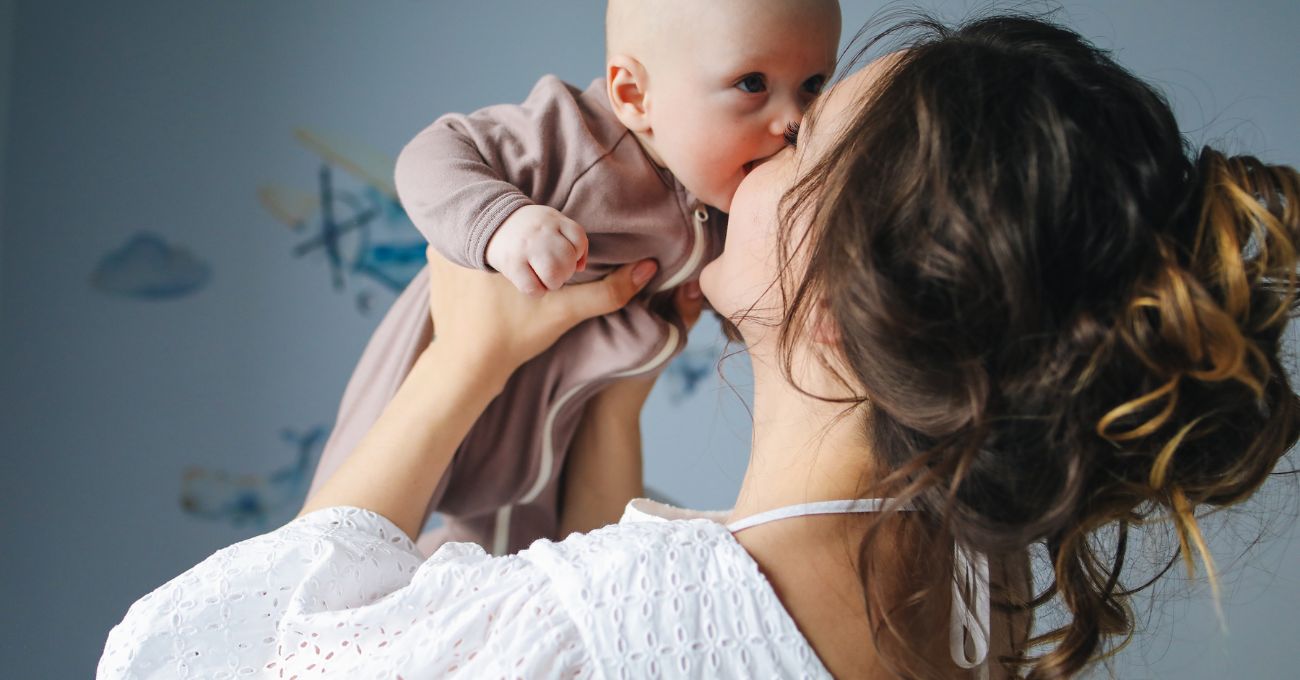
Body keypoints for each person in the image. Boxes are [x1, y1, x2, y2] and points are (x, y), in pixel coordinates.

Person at [98, 13, 1300, 679]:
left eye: (805, 132)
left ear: (833, 304)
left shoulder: (603, 629)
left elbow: (218, 658)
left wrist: (459, 360)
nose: (760, 146)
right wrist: (611, 407)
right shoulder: (966, 600)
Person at [305, 0, 842, 557]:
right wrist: (501, 223)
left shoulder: (726, 198)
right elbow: (432, 153)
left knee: (518, 556)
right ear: (634, 96)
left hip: (556, 426)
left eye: (812, 85)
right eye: (753, 83)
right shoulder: (574, 138)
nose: (794, 121)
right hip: (444, 367)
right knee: (343, 543)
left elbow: (750, 299)